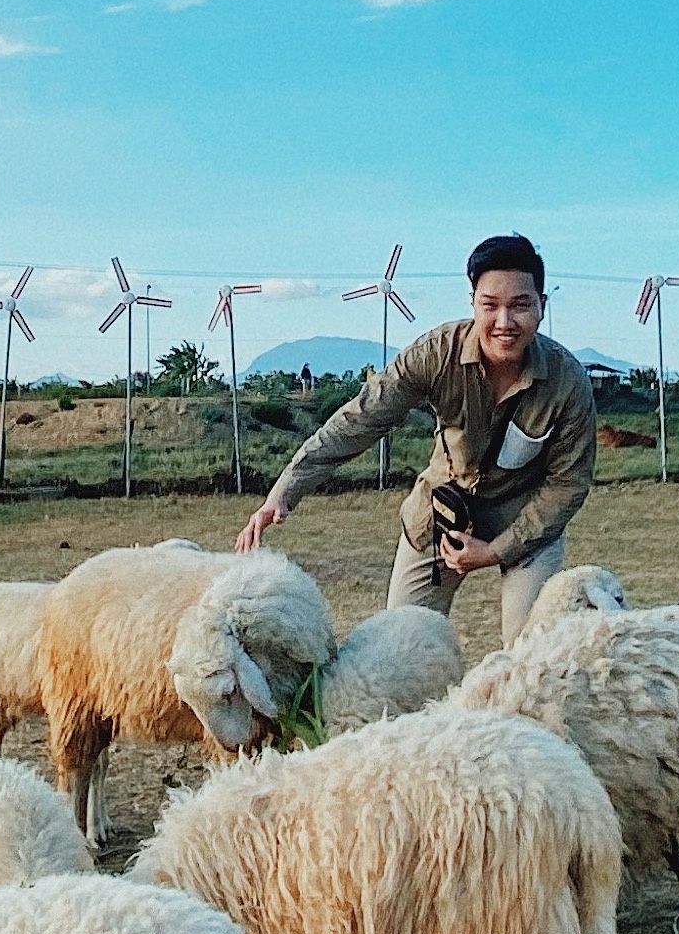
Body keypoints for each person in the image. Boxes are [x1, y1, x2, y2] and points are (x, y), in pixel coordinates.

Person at [235, 234, 596, 640]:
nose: (504, 322)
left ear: (542, 306)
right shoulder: (435, 354)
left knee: (534, 653)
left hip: (526, 519)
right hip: (440, 511)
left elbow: (568, 484)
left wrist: (496, 551)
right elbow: (360, 419)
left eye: (521, 305)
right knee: (401, 648)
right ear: (473, 303)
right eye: (490, 305)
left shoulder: (568, 381)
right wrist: (284, 491)